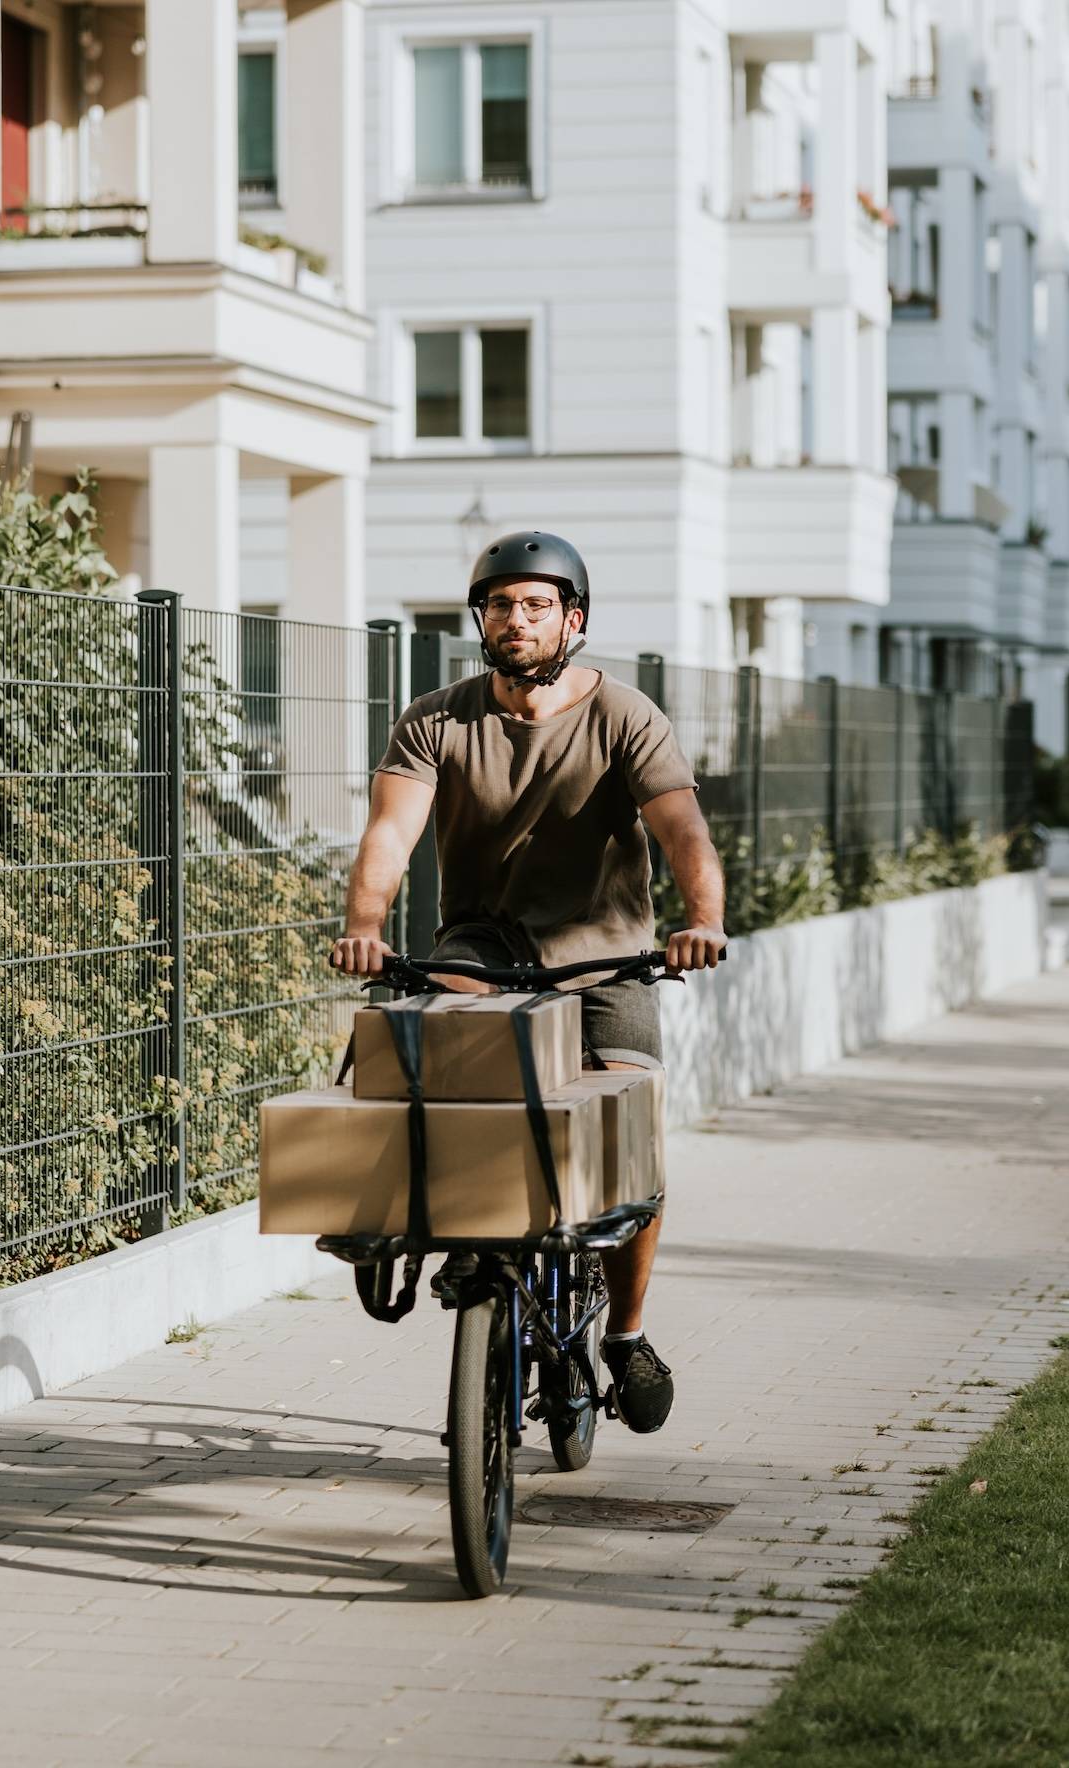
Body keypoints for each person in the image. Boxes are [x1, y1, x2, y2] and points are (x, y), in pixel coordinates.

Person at [328, 530, 727, 1434]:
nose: (517, 619)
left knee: (633, 1143)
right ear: (483, 619)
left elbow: (684, 835)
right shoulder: (437, 718)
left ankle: (624, 1335)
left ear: (572, 620)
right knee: (428, 1071)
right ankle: (417, 1231)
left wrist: (700, 921)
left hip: (605, 957)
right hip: (481, 950)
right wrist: (362, 928)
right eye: (501, 604)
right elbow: (390, 835)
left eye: (537, 605)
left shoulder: (626, 716)